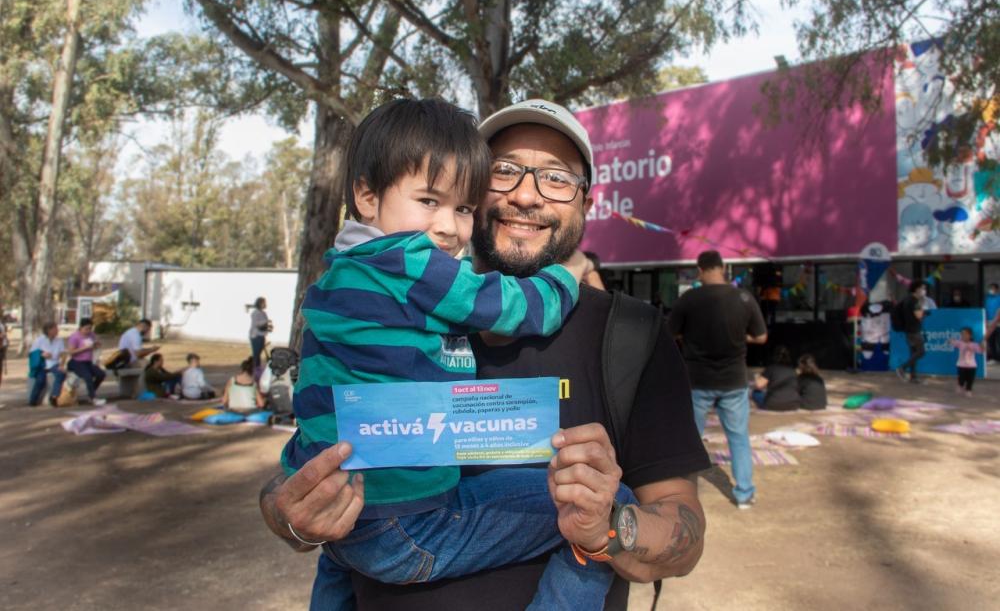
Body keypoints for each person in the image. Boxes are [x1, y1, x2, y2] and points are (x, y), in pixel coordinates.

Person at [260, 99, 711, 611]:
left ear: (586, 200)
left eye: (556, 178)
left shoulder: (633, 334)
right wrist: (290, 513)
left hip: (382, 541)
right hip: (392, 537)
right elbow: (310, 459)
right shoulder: (406, 297)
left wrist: (608, 526)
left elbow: (684, 533)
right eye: (505, 172)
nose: (526, 194)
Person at [666, 250, 767, 509]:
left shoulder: (688, 299)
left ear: (700, 270)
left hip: (697, 381)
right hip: (734, 381)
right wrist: (740, 338)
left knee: (689, 440)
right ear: (723, 268)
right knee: (739, 438)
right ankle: (744, 495)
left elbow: (669, 333)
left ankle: (685, 497)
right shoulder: (743, 298)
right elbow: (762, 337)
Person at [66, 318, 107, 405]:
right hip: (77, 362)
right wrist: (85, 348)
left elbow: (94, 346)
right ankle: (93, 398)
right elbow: (71, 352)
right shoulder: (74, 337)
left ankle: (91, 393)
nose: (88, 331)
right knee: (87, 376)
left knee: (101, 374)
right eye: (86, 329)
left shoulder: (91, 335)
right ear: (81, 327)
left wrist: (96, 345)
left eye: (90, 328)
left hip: (89, 361)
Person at [896, 280, 928, 384]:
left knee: (913, 353)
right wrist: (924, 312)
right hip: (914, 330)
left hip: (908, 330)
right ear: (917, 289)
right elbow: (919, 316)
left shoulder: (907, 299)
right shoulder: (915, 301)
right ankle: (902, 368)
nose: (924, 290)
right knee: (921, 351)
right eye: (923, 288)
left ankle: (913, 377)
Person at [29, 321, 67, 406]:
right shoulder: (39, 340)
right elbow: (32, 352)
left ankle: (54, 396)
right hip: (42, 364)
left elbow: (63, 354)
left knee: (60, 374)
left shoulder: (59, 340)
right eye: (55, 328)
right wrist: (42, 354)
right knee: (40, 380)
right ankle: (33, 400)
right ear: (49, 330)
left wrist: (61, 365)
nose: (57, 330)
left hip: (54, 363)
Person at [752, 345, 800, 411]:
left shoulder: (771, 368)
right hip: (793, 405)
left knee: (756, 392)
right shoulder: (793, 370)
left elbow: (759, 385)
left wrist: (757, 377)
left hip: (772, 405)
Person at [950, 327, 985, 397]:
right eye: (962, 334)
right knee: (961, 378)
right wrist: (950, 341)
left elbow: (981, 351)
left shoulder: (974, 344)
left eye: (965, 334)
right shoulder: (959, 343)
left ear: (970, 335)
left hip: (972, 366)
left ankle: (968, 390)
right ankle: (960, 385)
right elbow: (952, 343)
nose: (963, 336)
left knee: (970, 380)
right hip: (961, 365)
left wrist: (982, 346)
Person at [249, 297, 271, 374]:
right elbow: (257, 324)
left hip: (261, 335)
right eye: (264, 302)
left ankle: (257, 370)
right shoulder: (256, 313)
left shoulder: (263, 313)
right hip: (256, 335)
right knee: (256, 354)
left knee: (258, 354)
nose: (265, 304)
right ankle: (255, 370)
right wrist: (265, 323)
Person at [985, 283, 1000, 360]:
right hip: (989, 323)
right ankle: (994, 358)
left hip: (998, 323)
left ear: (997, 289)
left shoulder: (999, 298)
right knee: (991, 341)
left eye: (993, 288)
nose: (991, 290)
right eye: (990, 288)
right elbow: (985, 310)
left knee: (998, 340)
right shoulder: (987, 299)